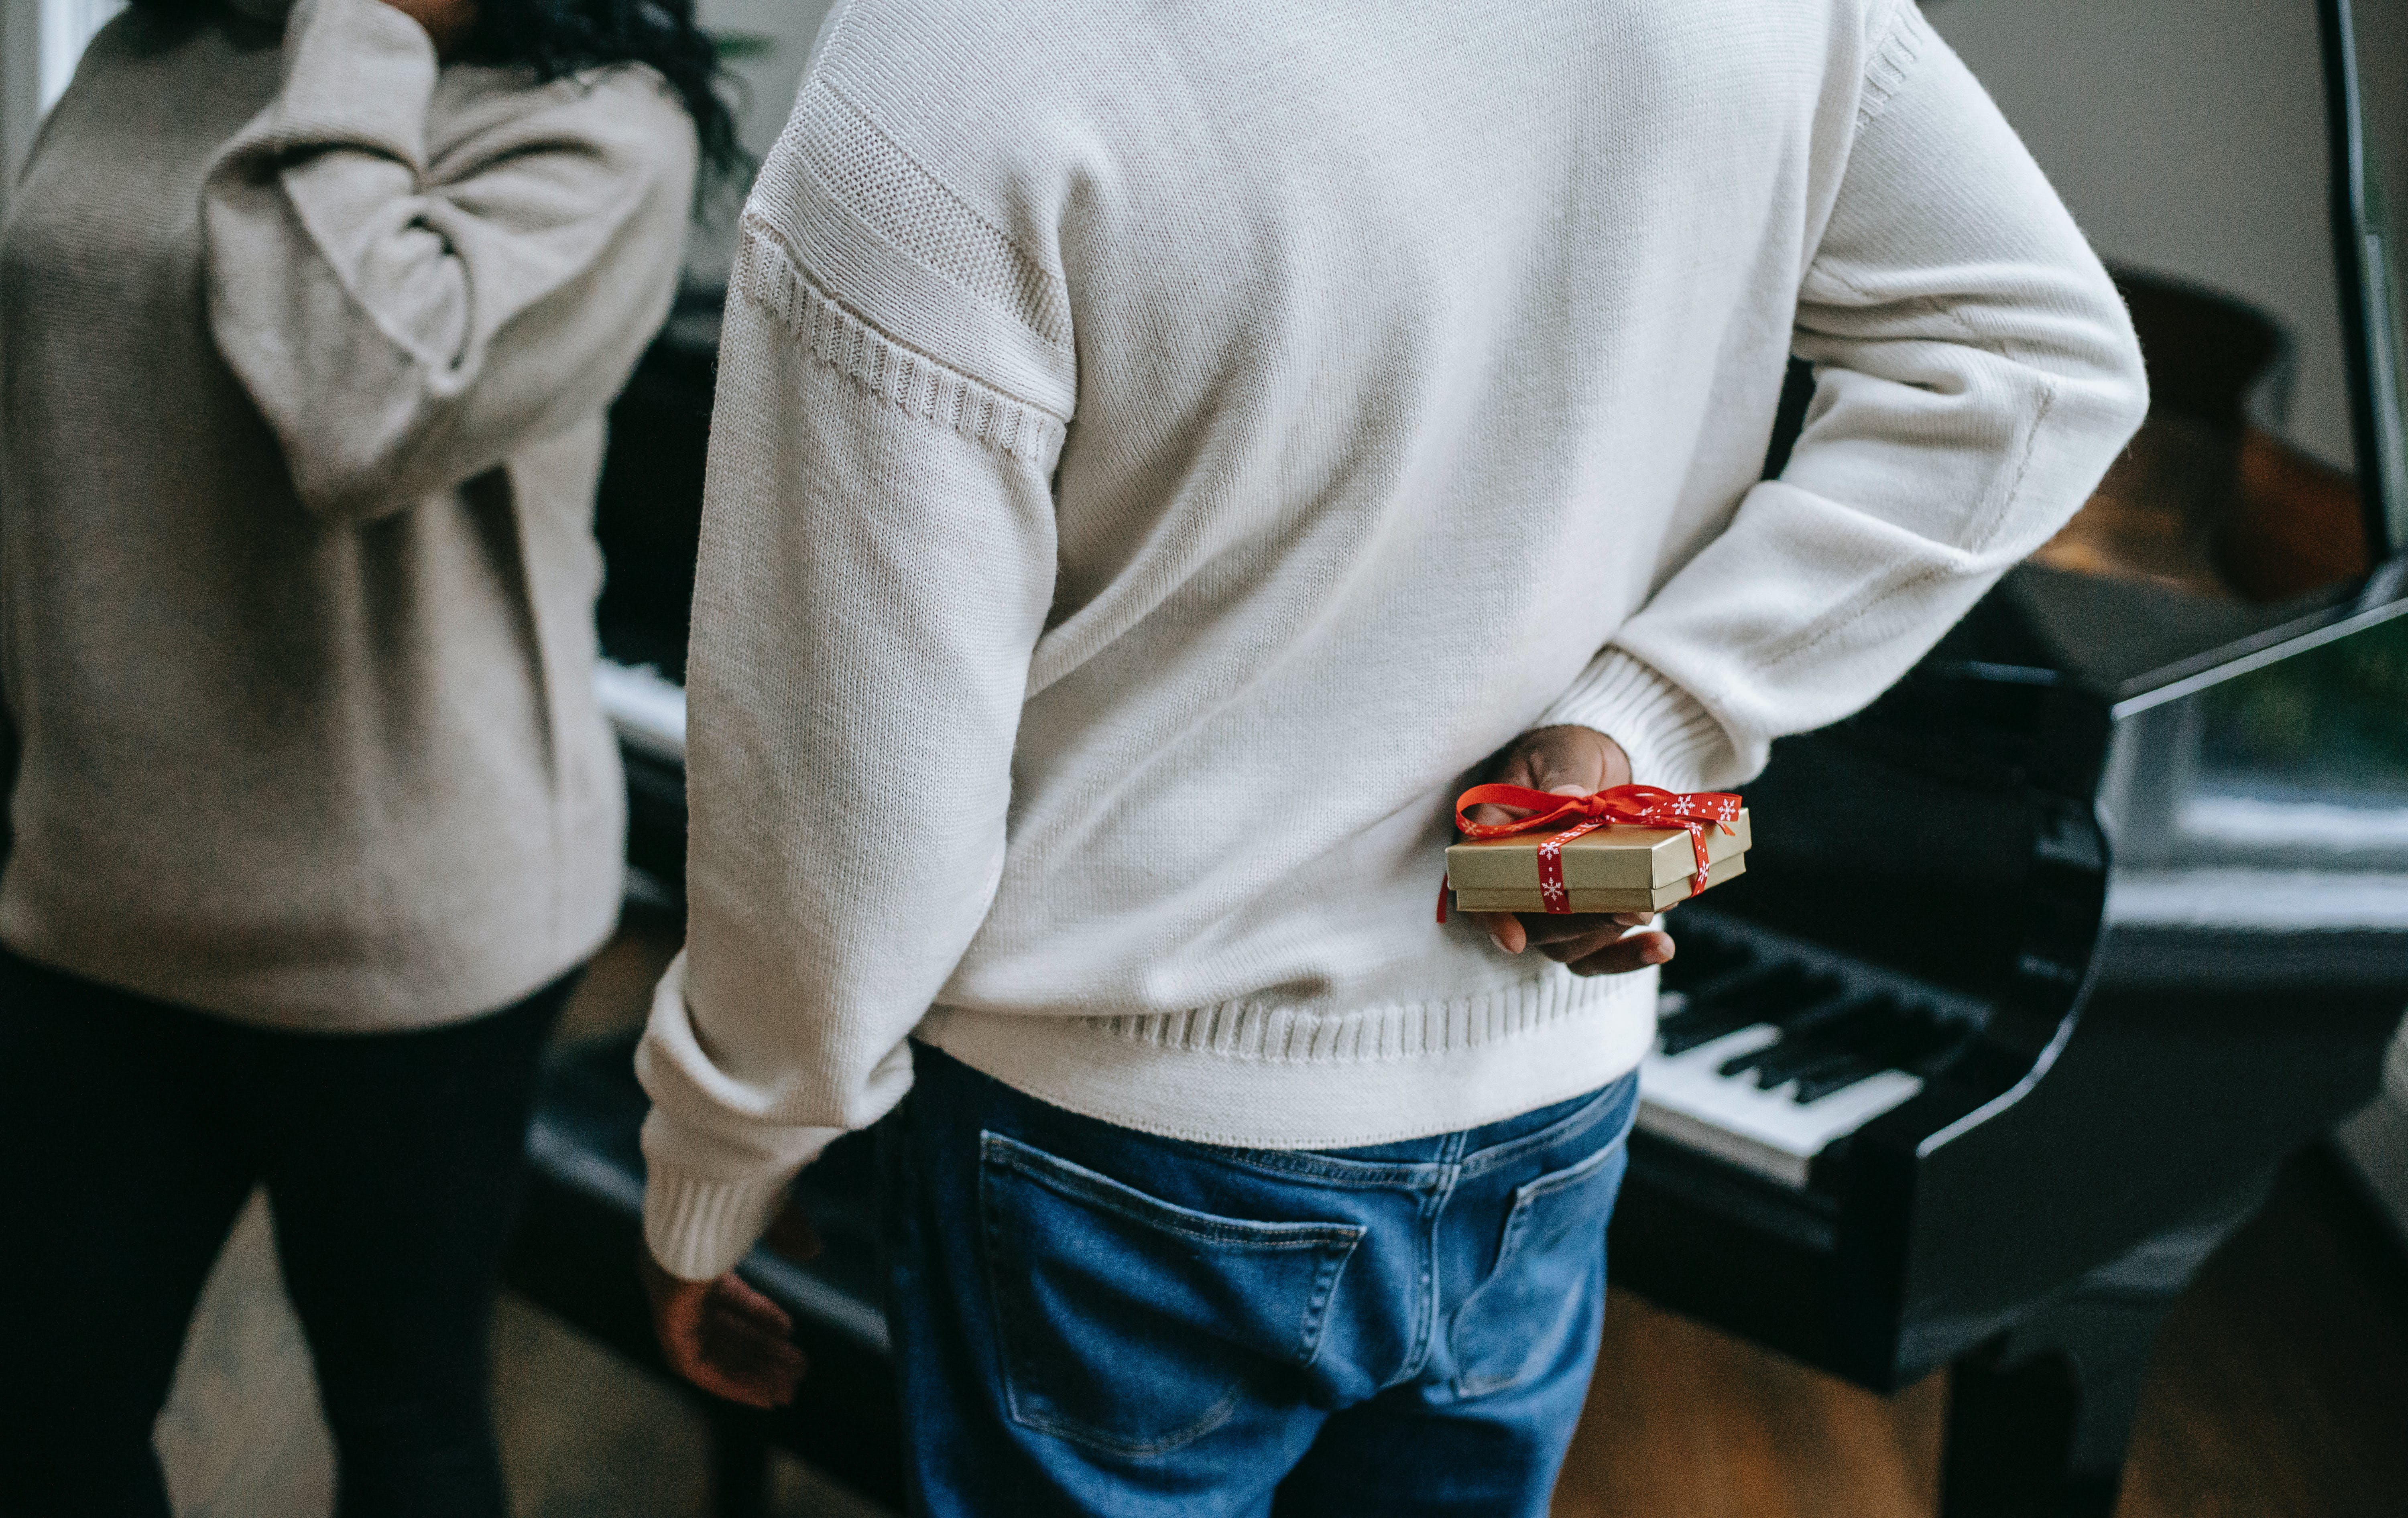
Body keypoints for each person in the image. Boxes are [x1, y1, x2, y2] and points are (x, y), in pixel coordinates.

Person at [634, 0, 2149, 1512]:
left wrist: (726, 1161)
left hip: (1117, 1144)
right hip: (1547, 1104)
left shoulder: (950, 59)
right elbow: (2039, 364)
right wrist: (1651, 715)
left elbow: (841, 791)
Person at [0, 0, 726, 1508]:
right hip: (90, 888)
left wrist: (362, 25)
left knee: (404, 1426)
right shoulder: (154, 51)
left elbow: (357, 400)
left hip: (403, 938)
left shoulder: (596, 126)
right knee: (40, 1418)